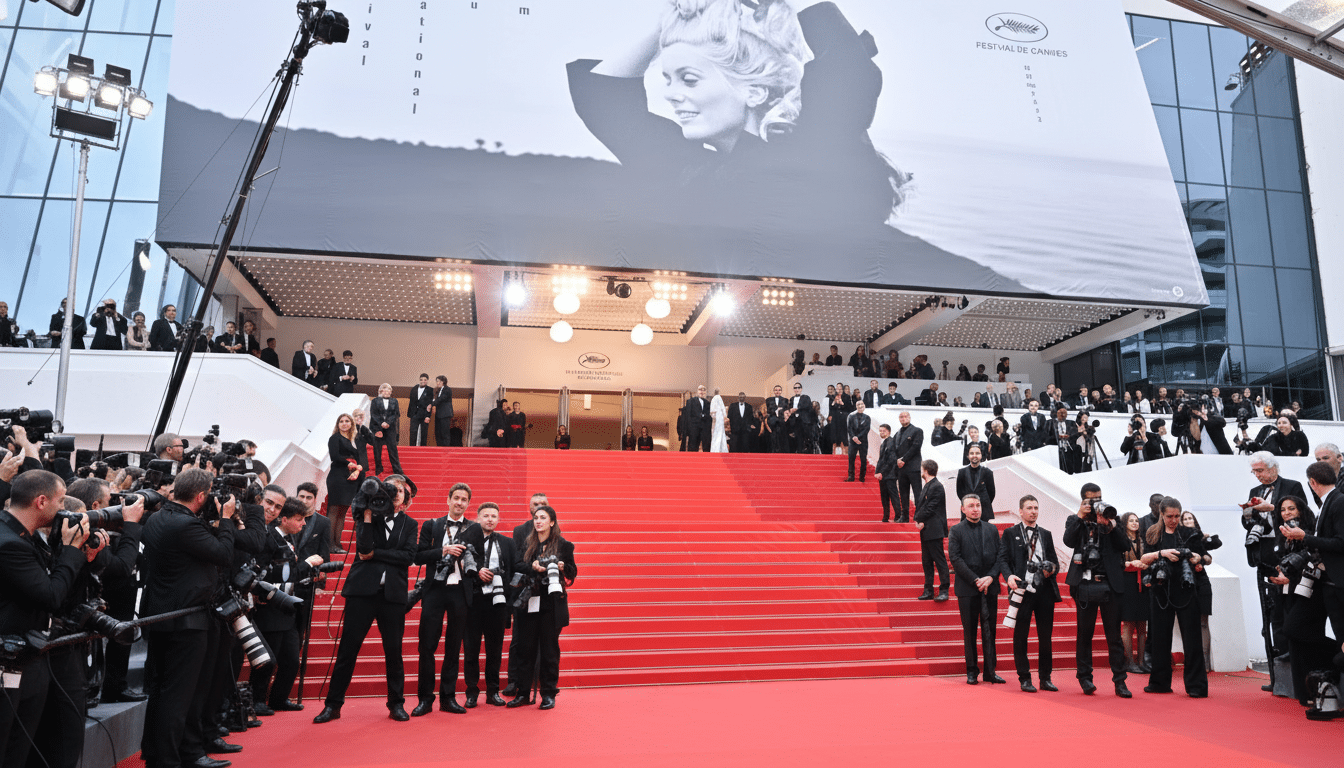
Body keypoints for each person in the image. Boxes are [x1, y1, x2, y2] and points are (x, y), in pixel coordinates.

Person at [139, 469, 239, 768]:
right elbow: (224, 554)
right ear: (200, 496)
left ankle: (158, 753)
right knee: (180, 694)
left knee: (160, 689)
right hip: (186, 621)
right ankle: (174, 757)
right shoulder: (185, 525)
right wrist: (227, 519)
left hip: (160, 617)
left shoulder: (157, 518)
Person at [0, 472, 90, 767]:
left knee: (21, 747)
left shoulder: (22, 535)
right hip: (9, 660)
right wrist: (72, 551)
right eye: (62, 500)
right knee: (10, 748)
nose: (65, 508)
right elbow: (51, 595)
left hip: (28, 655)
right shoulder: (10, 543)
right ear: (41, 501)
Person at [315, 476, 418, 724]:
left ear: (406, 498)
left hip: (392, 594)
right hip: (362, 592)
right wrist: (369, 515)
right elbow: (363, 549)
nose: (394, 492)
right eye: (388, 487)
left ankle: (396, 704)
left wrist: (378, 555)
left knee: (393, 651)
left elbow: (408, 556)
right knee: (347, 650)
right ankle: (333, 705)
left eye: (399, 490)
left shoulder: (410, 524)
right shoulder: (366, 515)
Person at [249, 497, 323, 715]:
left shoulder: (287, 540)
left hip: (288, 609)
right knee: (267, 659)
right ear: (284, 519)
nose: (303, 524)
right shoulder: (269, 538)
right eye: (299, 519)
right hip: (271, 607)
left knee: (291, 660)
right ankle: (257, 700)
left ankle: (279, 698)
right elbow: (268, 573)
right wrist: (307, 565)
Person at [413, 483, 477, 716]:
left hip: (460, 591)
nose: (460, 502)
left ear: (468, 504)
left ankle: (448, 697)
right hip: (435, 591)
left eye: (464, 500)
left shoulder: (474, 529)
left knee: (453, 647)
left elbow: (478, 560)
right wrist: (444, 551)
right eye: (456, 498)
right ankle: (425, 699)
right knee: (427, 645)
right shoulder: (432, 525)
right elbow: (418, 556)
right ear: (448, 500)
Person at [1063, 483, 1132, 698]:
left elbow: (1125, 546)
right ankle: (1085, 679)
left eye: (1099, 498)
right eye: (1092, 500)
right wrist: (1080, 517)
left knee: (1114, 636)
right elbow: (1068, 540)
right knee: (1085, 634)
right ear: (1083, 500)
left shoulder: (1112, 519)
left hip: (1110, 585)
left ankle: (1120, 681)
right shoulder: (1076, 520)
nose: (1096, 504)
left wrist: (1109, 526)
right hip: (1085, 584)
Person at [506, 505, 577, 710]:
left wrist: (564, 567)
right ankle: (523, 693)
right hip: (529, 600)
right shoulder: (527, 542)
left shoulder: (564, 545)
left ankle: (548, 693)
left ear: (552, 522)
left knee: (549, 650)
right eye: (536, 517)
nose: (538, 521)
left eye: (543, 518)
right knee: (524, 649)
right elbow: (517, 565)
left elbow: (573, 573)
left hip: (551, 604)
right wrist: (533, 567)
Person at [1139, 497, 1209, 697]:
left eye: (1177, 516)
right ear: (1161, 514)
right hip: (1160, 590)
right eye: (1170, 516)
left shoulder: (1189, 533)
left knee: (1192, 639)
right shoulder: (1152, 533)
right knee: (1160, 638)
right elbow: (1144, 559)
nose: (1174, 520)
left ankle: (1196, 686)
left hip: (1186, 589)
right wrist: (1163, 553)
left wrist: (1197, 558)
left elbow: (1205, 558)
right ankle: (1159, 683)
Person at [997, 495, 1060, 692]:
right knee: (1021, 635)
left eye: (1035, 507)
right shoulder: (1010, 533)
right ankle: (1024, 677)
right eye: (1029, 508)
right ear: (1021, 511)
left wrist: (1051, 568)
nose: (1033, 511)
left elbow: (1055, 562)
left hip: (1044, 590)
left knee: (1045, 636)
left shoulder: (1046, 534)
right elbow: (1003, 559)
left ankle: (1045, 678)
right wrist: (1008, 576)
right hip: (1022, 589)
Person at [461, 502, 517, 708]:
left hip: (498, 603)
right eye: (486, 515)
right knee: (471, 650)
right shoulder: (467, 541)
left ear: (498, 519)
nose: (490, 519)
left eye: (494, 516)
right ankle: (471, 692)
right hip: (472, 602)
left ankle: (493, 692)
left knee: (495, 650)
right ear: (478, 518)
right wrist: (476, 572)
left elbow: (514, 570)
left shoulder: (508, 543)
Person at [949, 494, 1002, 685]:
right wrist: (976, 580)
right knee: (970, 631)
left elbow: (1000, 557)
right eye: (970, 506)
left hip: (990, 587)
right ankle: (971, 671)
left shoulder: (992, 529)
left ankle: (990, 671)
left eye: (978, 505)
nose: (975, 509)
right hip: (967, 588)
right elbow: (955, 559)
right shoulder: (956, 530)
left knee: (991, 631)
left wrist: (990, 578)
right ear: (963, 509)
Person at [326, 413, 364, 554]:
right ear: (338, 424)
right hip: (337, 476)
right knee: (334, 510)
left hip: (350, 478)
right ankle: (330, 544)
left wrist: (356, 471)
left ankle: (337, 543)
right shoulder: (335, 438)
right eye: (341, 421)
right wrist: (352, 464)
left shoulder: (352, 440)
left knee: (342, 512)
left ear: (351, 424)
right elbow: (334, 456)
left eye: (347, 421)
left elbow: (359, 461)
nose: (344, 423)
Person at [1117, 512, 1150, 674]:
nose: (1135, 523)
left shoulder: (1143, 540)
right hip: (1127, 582)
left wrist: (1146, 564)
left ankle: (1142, 661)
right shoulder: (1120, 541)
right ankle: (1129, 661)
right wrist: (1131, 563)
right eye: (1131, 521)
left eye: (1137, 520)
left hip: (1143, 582)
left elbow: (1151, 558)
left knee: (1143, 625)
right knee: (1128, 625)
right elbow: (1116, 563)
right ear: (1125, 523)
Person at [912, 460, 949, 600]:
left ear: (926, 470)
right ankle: (928, 590)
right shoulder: (928, 485)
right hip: (927, 529)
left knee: (939, 561)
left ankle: (944, 590)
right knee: (926, 561)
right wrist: (919, 520)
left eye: (922, 469)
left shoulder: (937, 486)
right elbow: (923, 506)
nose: (920, 471)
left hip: (934, 529)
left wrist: (918, 519)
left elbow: (930, 507)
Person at [890, 411, 923, 521]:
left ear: (909, 417)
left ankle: (919, 516)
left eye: (905, 416)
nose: (903, 419)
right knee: (903, 493)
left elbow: (915, 447)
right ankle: (905, 516)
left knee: (917, 492)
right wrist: (897, 461)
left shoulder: (917, 431)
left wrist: (903, 459)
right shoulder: (897, 433)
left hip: (913, 467)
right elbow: (893, 449)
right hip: (901, 468)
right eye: (901, 417)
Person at [370, 384, 404, 475]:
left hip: (390, 428)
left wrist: (388, 423)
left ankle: (397, 469)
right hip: (378, 427)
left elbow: (396, 414)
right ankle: (378, 468)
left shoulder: (394, 401)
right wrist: (381, 423)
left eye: (390, 390)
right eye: (386, 390)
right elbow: (374, 414)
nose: (388, 391)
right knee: (377, 449)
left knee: (392, 448)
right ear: (381, 391)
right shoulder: (374, 401)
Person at [956, 446, 996, 520]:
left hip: (984, 512)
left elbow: (991, 493)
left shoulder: (988, 472)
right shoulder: (962, 472)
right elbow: (959, 492)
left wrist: (982, 503)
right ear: (968, 456)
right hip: (967, 512)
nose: (974, 455)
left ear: (981, 456)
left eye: (977, 453)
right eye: (972, 453)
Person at [874, 424, 898, 522]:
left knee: (893, 496)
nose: (881, 433)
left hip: (890, 474)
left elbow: (891, 460)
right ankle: (886, 516)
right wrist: (877, 472)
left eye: (883, 431)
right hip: (883, 475)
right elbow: (880, 460)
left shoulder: (892, 442)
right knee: (884, 497)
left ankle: (898, 516)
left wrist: (881, 473)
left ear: (888, 431)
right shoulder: (883, 444)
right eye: (880, 431)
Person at [845, 400, 870, 482]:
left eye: (861, 404)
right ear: (856, 406)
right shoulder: (851, 417)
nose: (860, 406)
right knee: (851, 459)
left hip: (863, 442)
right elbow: (849, 428)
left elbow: (866, 430)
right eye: (858, 404)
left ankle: (862, 477)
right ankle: (851, 476)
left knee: (863, 459)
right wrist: (854, 438)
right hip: (853, 442)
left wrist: (857, 437)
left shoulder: (867, 418)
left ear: (864, 406)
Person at [407, 373, 433, 446]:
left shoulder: (430, 390)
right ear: (419, 380)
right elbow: (411, 402)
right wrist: (410, 414)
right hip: (414, 414)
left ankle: (423, 448)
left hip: (424, 414)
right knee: (413, 432)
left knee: (424, 432)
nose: (423, 381)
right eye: (421, 380)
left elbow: (430, 404)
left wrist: (428, 416)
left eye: (425, 380)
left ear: (427, 381)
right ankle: (411, 448)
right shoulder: (414, 389)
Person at [787, 382, 814, 453]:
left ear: (801, 389)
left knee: (807, 438)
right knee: (798, 438)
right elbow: (789, 408)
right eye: (795, 388)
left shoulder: (806, 397)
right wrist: (790, 410)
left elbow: (807, 406)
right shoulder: (792, 399)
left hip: (804, 421)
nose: (797, 389)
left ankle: (809, 453)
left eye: (798, 387)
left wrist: (796, 409)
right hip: (795, 421)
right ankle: (799, 453)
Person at [685, 385, 712, 452]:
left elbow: (709, 417)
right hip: (694, 429)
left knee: (706, 447)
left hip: (705, 430)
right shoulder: (690, 401)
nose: (702, 392)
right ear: (697, 391)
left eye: (704, 390)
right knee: (693, 447)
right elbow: (688, 416)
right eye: (700, 390)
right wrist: (688, 430)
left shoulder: (708, 403)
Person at [428, 376, 454, 446]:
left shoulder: (447, 389)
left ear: (444, 382)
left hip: (445, 414)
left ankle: (445, 449)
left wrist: (431, 404)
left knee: (444, 433)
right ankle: (439, 448)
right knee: (438, 432)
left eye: (439, 381)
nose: (438, 383)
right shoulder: (438, 390)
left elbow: (441, 399)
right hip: (438, 415)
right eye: (437, 381)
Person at [710, 388, 728, 453]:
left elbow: (712, 410)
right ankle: (720, 450)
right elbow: (723, 408)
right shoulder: (718, 398)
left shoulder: (715, 398)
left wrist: (714, 416)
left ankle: (716, 450)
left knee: (717, 433)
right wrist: (725, 416)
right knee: (719, 433)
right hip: (719, 417)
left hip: (717, 416)